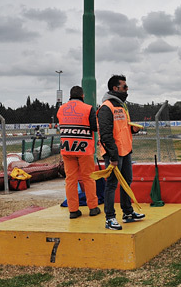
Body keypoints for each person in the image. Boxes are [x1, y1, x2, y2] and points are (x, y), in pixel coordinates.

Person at [98, 74, 144, 231]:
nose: (127, 89)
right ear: (115, 88)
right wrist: (112, 156)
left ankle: (128, 213)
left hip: (126, 151)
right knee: (111, 185)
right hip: (114, 154)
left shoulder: (122, 106)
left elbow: (123, 128)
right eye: (124, 87)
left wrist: (133, 130)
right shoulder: (106, 107)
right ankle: (110, 218)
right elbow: (105, 134)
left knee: (127, 182)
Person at [56, 86, 101, 219]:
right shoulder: (88, 108)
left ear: (70, 96)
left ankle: (73, 210)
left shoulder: (61, 109)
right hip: (84, 148)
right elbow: (94, 127)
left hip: (67, 148)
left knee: (70, 180)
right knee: (88, 178)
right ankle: (93, 207)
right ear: (82, 95)